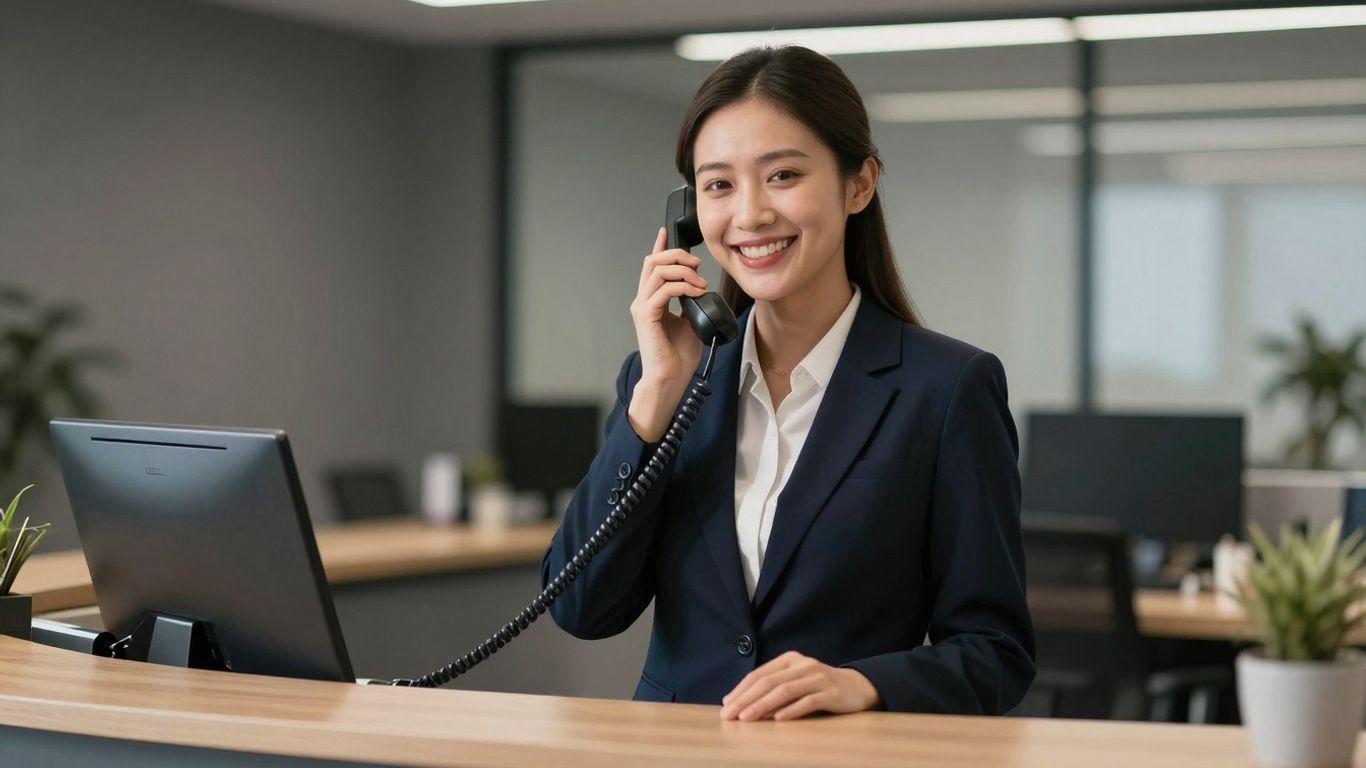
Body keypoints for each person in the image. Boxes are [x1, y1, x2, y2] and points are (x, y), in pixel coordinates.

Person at [542, 45, 1034, 720]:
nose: (748, 215)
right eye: (718, 185)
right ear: (689, 213)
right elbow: (581, 608)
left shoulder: (947, 390)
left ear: (859, 184)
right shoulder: (662, 381)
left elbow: (995, 651)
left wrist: (865, 683)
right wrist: (654, 399)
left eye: (782, 176)